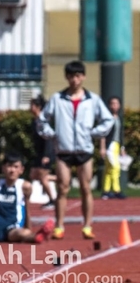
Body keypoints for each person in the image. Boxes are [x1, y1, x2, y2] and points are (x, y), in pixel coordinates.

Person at [37, 60, 114, 240]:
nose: (75, 80)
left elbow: (108, 119)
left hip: (84, 150)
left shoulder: (92, 99)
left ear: (84, 77)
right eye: (71, 76)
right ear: (66, 77)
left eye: (78, 76)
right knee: (62, 188)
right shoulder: (57, 98)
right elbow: (42, 119)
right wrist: (52, 134)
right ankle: (59, 226)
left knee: (86, 188)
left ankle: (87, 225)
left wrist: (94, 132)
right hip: (64, 151)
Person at [0, 152, 55, 244]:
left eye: (16, 167)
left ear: (21, 170)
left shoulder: (24, 186)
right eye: (9, 166)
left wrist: (28, 229)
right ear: (3, 168)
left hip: (12, 228)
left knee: (23, 233)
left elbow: (27, 208)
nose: (12, 170)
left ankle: (38, 236)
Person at [29, 94, 56, 209]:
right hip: (39, 153)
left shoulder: (42, 121)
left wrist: (46, 155)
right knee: (33, 175)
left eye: (32, 105)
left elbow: (48, 139)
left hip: (46, 153)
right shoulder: (35, 121)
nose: (30, 108)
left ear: (38, 107)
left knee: (43, 178)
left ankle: (52, 201)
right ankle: (61, 178)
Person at [100, 96, 126, 200]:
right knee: (115, 168)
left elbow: (120, 134)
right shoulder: (107, 118)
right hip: (109, 146)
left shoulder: (119, 118)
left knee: (108, 169)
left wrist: (122, 147)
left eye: (116, 103)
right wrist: (102, 147)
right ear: (109, 105)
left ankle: (105, 191)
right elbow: (103, 134)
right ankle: (116, 190)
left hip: (116, 145)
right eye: (112, 103)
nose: (114, 106)